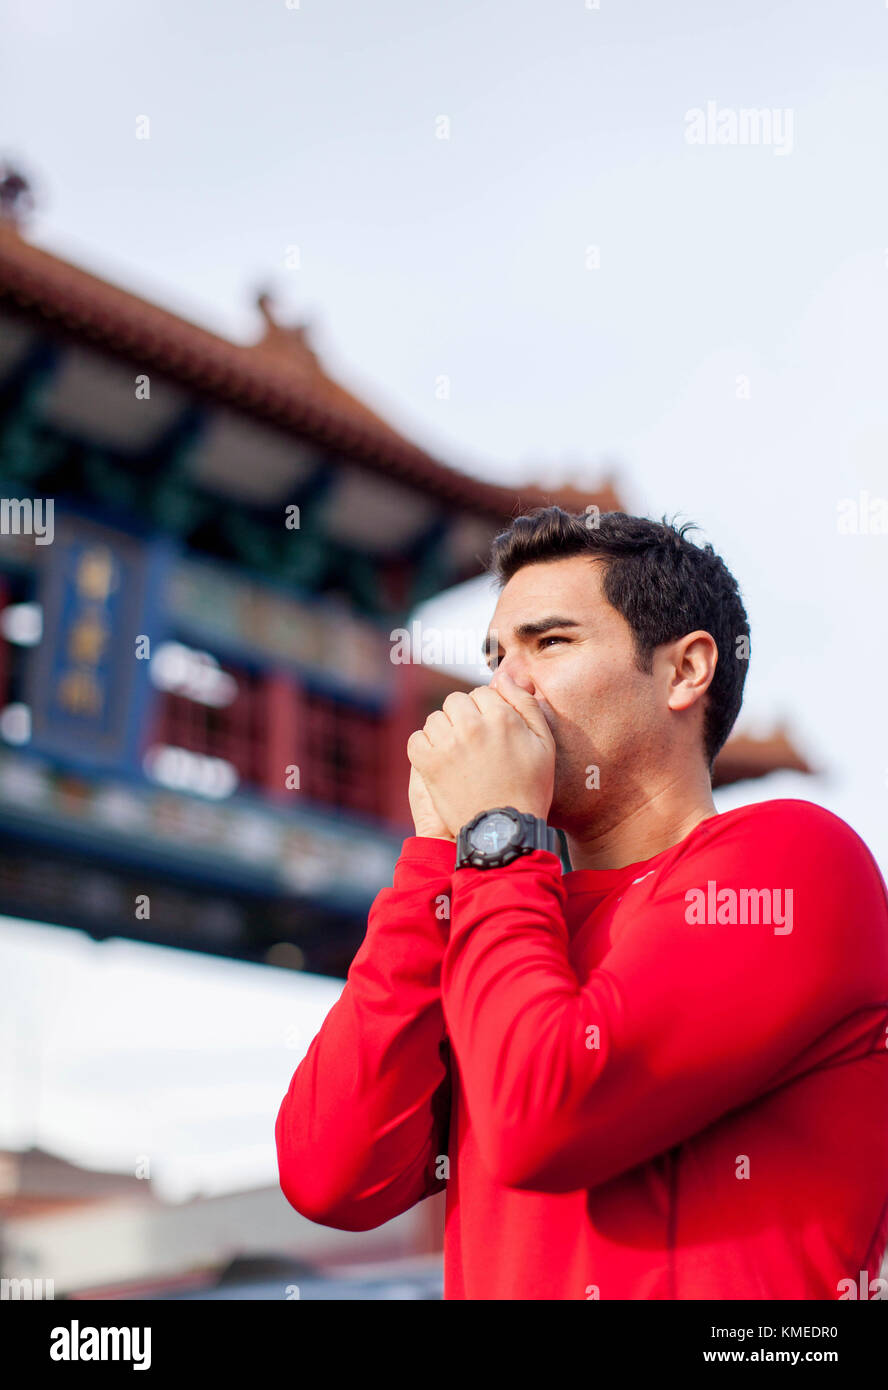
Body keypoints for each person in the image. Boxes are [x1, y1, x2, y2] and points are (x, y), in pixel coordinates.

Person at [275, 507, 888, 1300]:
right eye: (496, 657)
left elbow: (542, 1121)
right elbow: (332, 1175)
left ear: (685, 670)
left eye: (549, 643)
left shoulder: (798, 859)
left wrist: (497, 835)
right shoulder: (514, 911)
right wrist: (434, 859)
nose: (506, 687)